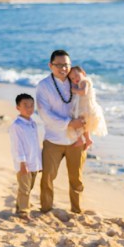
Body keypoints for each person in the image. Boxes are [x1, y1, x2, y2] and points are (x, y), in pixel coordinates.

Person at [35, 50, 87, 214]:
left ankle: (76, 210)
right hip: (53, 139)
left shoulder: (77, 82)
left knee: (76, 179)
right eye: (59, 65)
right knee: (48, 177)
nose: (63, 68)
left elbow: (87, 106)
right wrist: (70, 123)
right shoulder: (44, 86)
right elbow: (45, 114)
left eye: (66, 65)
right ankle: (46, 209)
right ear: (50, 66)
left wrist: (86, 133)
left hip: (75, 140)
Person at [8, 93, 42, 219]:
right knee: (25, 188)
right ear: (18, 107)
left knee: (29, 187)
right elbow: (17, 146)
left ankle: (19, 207)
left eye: (31, 105)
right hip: (24, 163)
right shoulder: (17, 125)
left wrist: (39, 163)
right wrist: (22, 163)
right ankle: (23, 211)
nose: (29, 108)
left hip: (34, 162)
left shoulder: (33, 123)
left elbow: (35, 144)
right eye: (25, 105)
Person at [67, 65, 108, 150]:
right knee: (84, 126)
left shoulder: (84, 81)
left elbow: (83, 92)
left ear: (83, 73)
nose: (75, 79)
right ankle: (88, 139)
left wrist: (73, 90)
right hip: (85, 107)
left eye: (76, 75)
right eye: (72, 78)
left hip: (86, 108)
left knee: (77, 122)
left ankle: (80, 139)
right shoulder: (79, 82)